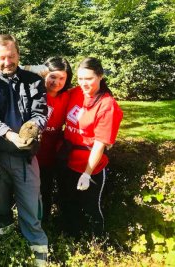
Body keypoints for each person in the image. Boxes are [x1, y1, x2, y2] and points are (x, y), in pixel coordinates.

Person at [0, 34, 49, 266]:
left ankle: (38, 246)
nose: (7, 61)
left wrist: (33, 128)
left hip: (25, 156)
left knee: (30, 201)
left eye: (12, 56)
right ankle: (3, 241)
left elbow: (41, 112)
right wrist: (9, 134)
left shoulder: (34, 81)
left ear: (18, 54)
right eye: (2, 57)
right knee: (0, 202)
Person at [58, 57, 123, 238]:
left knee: (91, 208)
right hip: (67, 161)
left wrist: (87, 173)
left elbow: (100, 144)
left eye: (89, 79)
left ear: (100, 76)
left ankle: (97, 243)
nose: (84, 84)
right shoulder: (76, 93)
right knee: (68, 204)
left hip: (90, 167)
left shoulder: (107, 105)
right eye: (80, 79)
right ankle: (72, 239)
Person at [33, 57, 73, 223]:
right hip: (31, 155)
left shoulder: (68, 96)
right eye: (52, 77)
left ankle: (44, 223)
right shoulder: (33, 93)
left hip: (51, 156)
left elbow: (93, 86)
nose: (56, 82)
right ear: (44, 76)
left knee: (46, 191)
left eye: (62, 78)